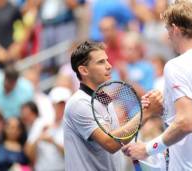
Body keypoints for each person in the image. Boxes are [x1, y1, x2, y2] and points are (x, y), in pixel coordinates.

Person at [122, 1, 192, 170]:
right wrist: (165, 110)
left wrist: (147, 149)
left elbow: (186, 123)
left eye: (167, 30)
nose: (167, 36)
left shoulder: (176, 66)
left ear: (175, 29)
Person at [63, 40, 162, 171]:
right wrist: (146, 113)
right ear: (84, 70)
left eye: (107, 60)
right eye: (101, 62)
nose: (109, 66)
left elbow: (120, 137)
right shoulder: (79, 103)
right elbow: (110, 143)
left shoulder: (104, 98)